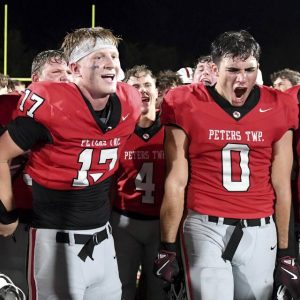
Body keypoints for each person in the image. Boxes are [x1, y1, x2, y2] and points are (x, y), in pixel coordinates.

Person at [153, 30, 299, 300]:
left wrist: (287, 253)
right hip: (205, 225)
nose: (242, 78)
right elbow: (176, 180)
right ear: (214, 68)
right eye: (232, 69)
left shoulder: (280, 105)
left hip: (261, 228)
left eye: (249, 69)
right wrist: (168, 244)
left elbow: (282, 185)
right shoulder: (186, 102)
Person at [0, 26, 141, 300]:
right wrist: (6, 213)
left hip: (103, 239)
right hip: (56, 241)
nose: (111, 62)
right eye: (99, 56)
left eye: (114, 55)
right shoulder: (51, 106)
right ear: (75, 69)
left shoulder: (130, 101)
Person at [0, 48, 75, 295]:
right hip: (20, 218)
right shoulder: (9, 105)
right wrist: (6, 213)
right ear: (35, 80)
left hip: (63, 219)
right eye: (56, 72)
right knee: (16, 287)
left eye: (67, 72)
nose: (65, 77)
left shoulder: (82, 110)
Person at [110, 65, 167, 300]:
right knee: (122, 288)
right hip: (125, 221)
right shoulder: (119, 130)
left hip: (161, 223)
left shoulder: (172, 130)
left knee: (158, 291)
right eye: (135, 86)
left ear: (157, 91)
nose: (142, 90)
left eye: (147, 85)